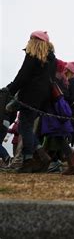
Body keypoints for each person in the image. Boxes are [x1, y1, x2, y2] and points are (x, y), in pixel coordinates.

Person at [3, 31, 56, 173]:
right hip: (42, 98)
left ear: (34, 41)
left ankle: (29, 159)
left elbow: (23, 75)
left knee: (24, 127)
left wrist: (10, 89)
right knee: (27, 126)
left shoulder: (32, 56)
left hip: (30, 95)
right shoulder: (51, 59)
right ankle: (38, 155)